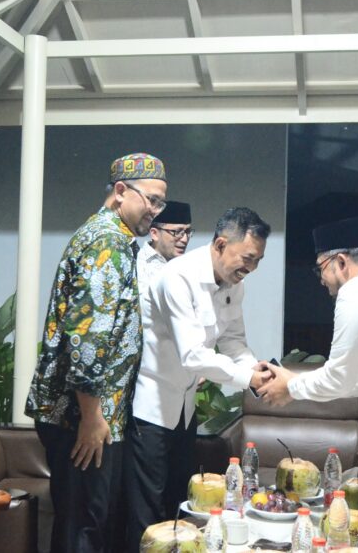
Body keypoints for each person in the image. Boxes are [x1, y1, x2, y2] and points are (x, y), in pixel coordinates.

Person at [24, 153, 167, 553]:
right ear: (121, 191)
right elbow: (86, 338)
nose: (155, 212)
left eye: (161, 204)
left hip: (97, 414)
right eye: (151, 200)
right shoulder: (107, 243)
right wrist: (91, 417)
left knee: (89, 522)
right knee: (84, 526)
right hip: (82, 417)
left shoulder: (110, 237)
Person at [124, 207, 273, 552]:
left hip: (185, 409)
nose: (251, 268)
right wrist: (248, 378)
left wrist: (257, 371)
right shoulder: (178, 277)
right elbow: (193, 355)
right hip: (152, 409)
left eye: (257, 261)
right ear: (220, 244)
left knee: (180, 506)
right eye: (248, 258)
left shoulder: (235, 285)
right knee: (148, 513)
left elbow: (233, 341)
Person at [258, 218, 358, 443]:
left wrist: (290, 387)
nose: (321, 280)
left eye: (320, 268)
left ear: (341, 262)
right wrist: (294, 379)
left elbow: (339, 378)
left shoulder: (357, 292)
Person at [137, 200, 193, 295]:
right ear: (154, 234)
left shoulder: (189, 266)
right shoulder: (137, 264)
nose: (185, 239)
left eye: (188, 232)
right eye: (177, 232)